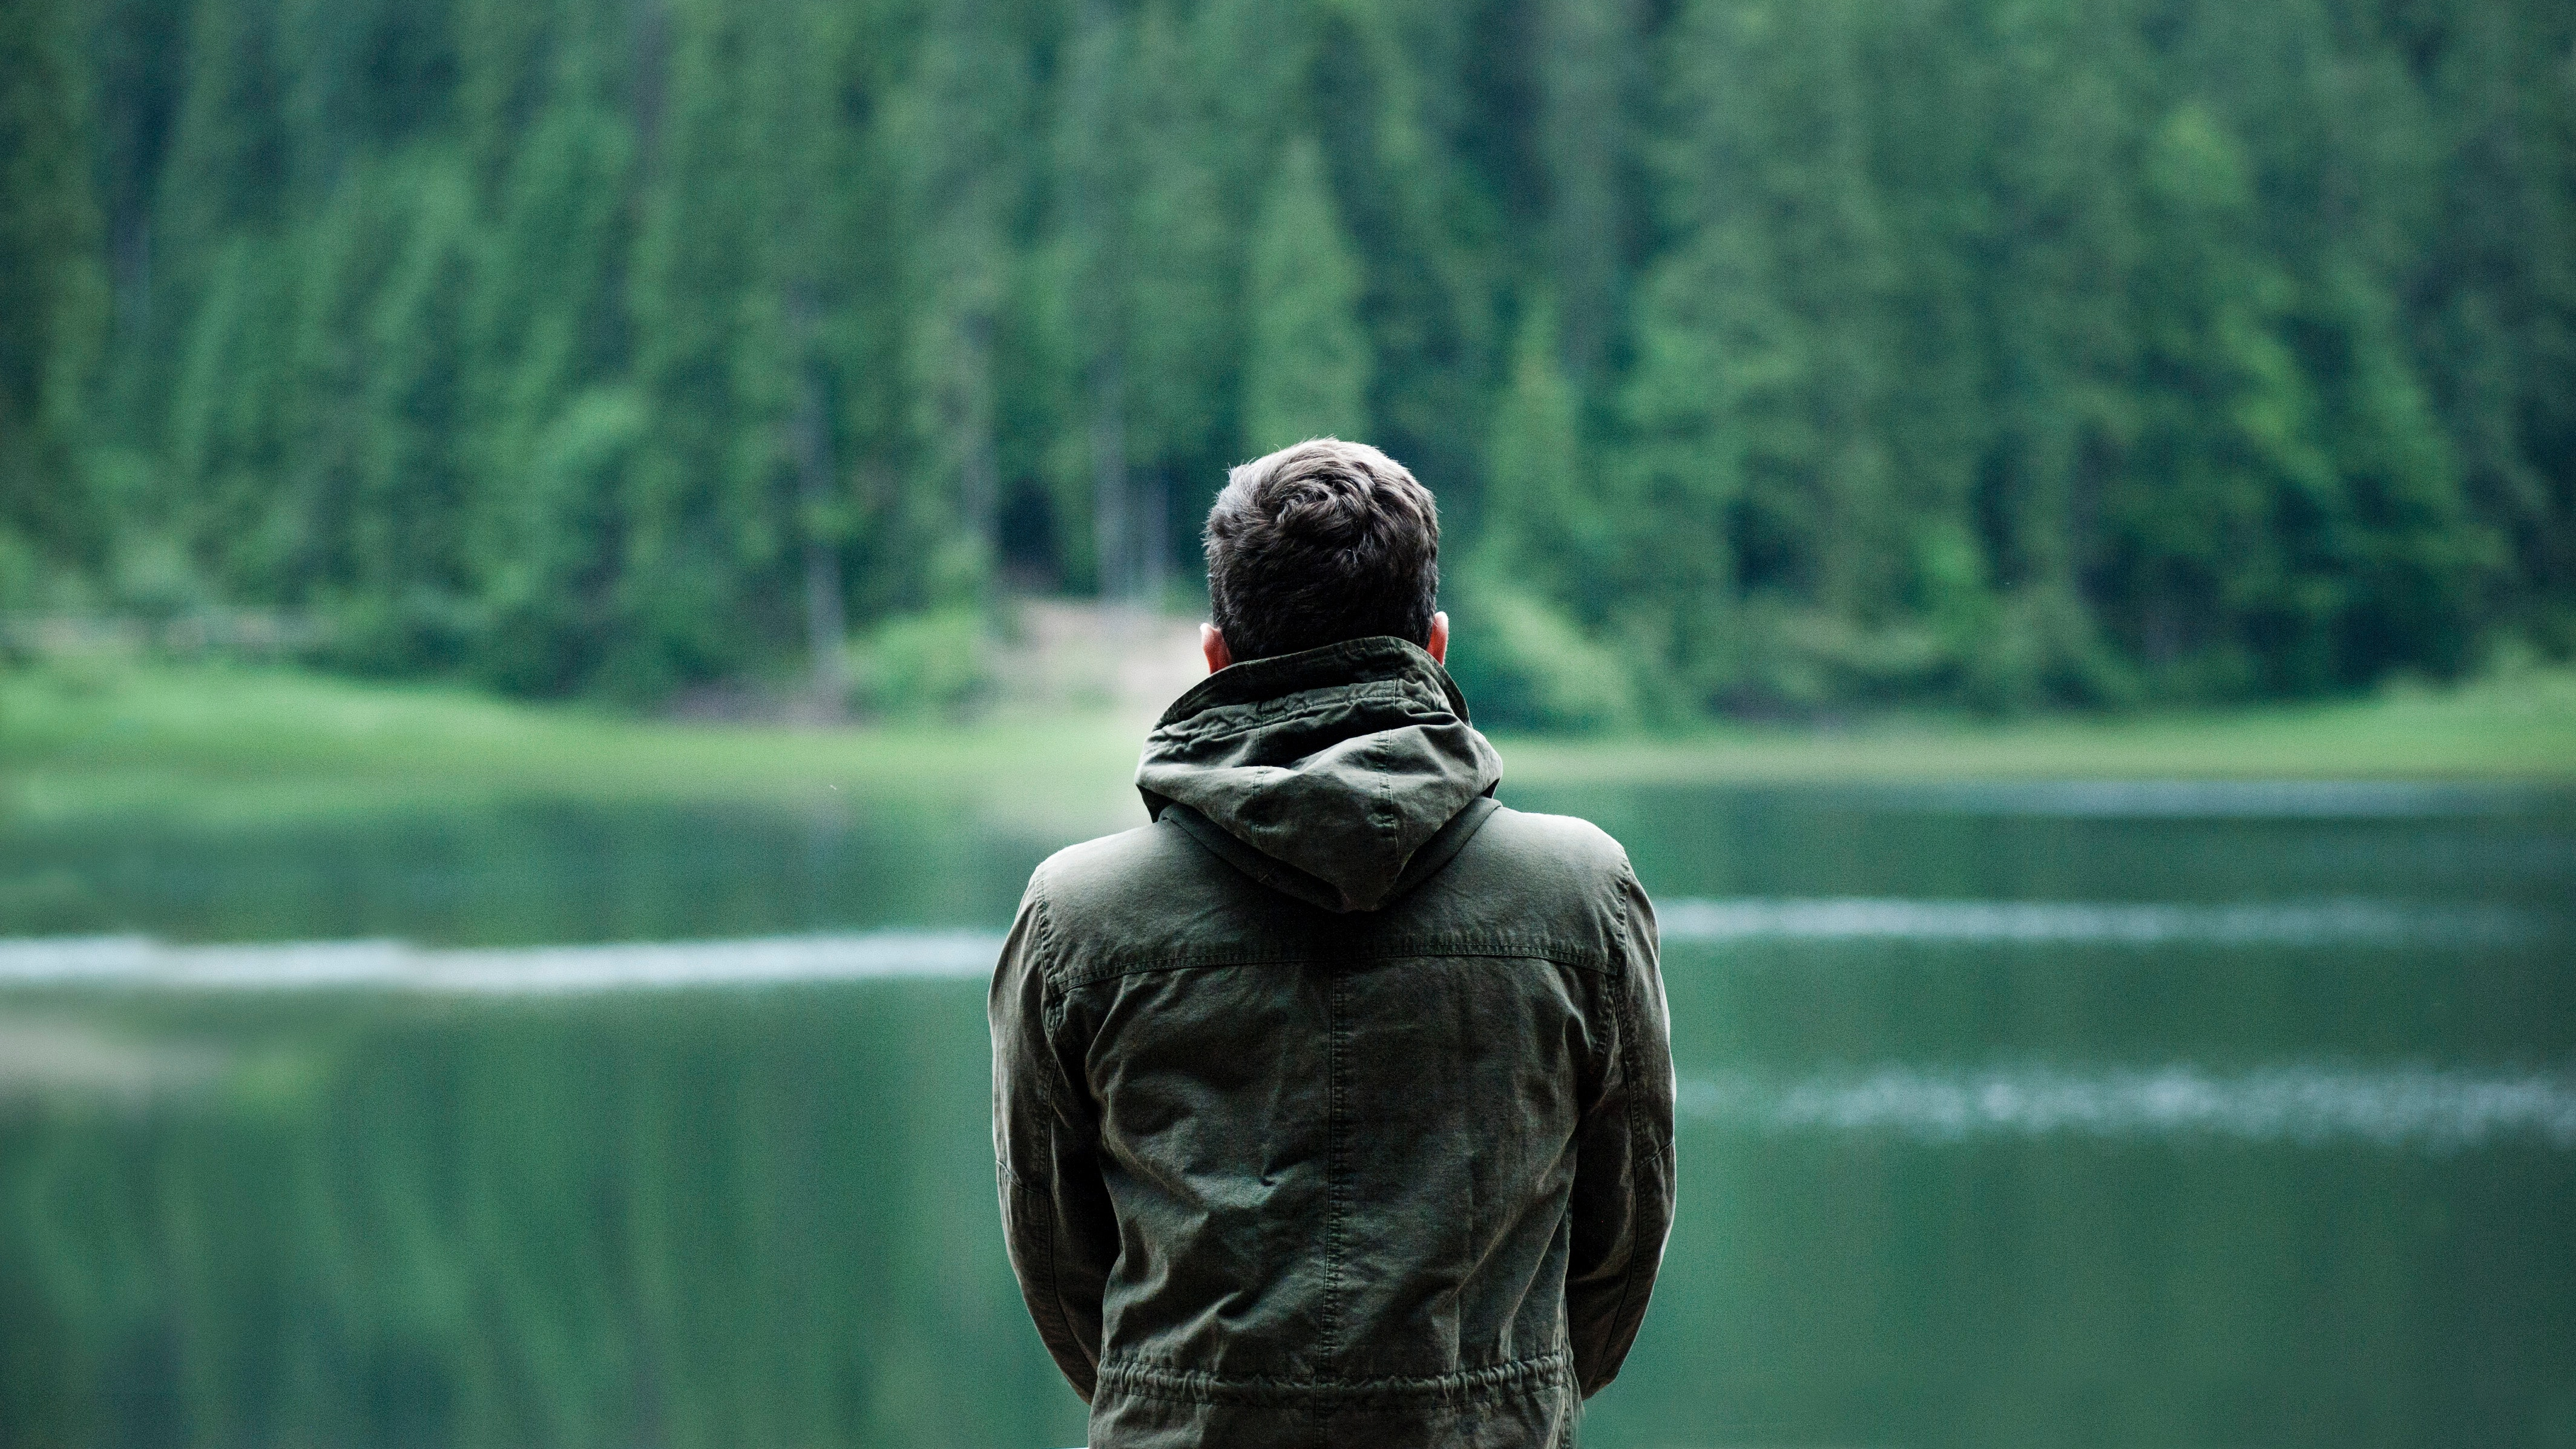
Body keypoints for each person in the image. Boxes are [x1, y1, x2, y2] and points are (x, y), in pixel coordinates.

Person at [990, 438, 1674, 1448]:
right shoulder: (1581, 896)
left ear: (1216, 655)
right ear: (1434, 645)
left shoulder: (1076, 916)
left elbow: (1057, 1258)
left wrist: (1191, 1401)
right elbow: (1623, 1239)